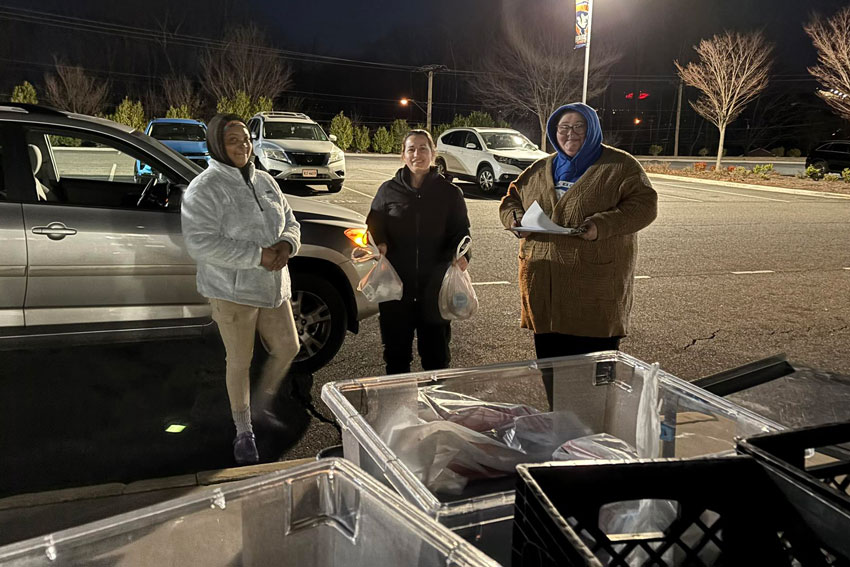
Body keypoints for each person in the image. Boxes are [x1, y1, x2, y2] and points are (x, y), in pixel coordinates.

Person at [181, 113, 301, 465]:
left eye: (247, 139)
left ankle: (261, 405)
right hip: (231, 290)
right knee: (239, 361)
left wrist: (287, 244)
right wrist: (257, 255)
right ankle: (243, 429)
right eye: (233, 140)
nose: (243, 146)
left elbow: (291, 221)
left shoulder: (265, 180)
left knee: (288, 347)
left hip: (272, 287)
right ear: (217, 145)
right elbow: (200, 243)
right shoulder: (204, 188)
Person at [499, 102, 657, 362]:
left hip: (595, 292)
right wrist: (515, 220)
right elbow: (511, 200)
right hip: (545, 291)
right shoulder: (539, 169)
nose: (570, 133)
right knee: (551, 371)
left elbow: (645, 206)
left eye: (578, 126)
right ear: (554, 132)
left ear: (592, 129)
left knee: (594, 376)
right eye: (563, 127)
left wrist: (602, 225)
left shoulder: (620, 166)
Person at [366, 129, 471, 374]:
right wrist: (379, 242)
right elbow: (374, 224)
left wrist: (463, 255)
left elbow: (461, 231)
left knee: (436, 359)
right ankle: (398, 399)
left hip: (434, 288)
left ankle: (435, 398)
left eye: (423, 148)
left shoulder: (449, 193)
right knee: (396, 358)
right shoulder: (388, 191)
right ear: (403, 155)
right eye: (411, 149)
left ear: (433, 153)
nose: (417, 154)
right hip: (395, 287)